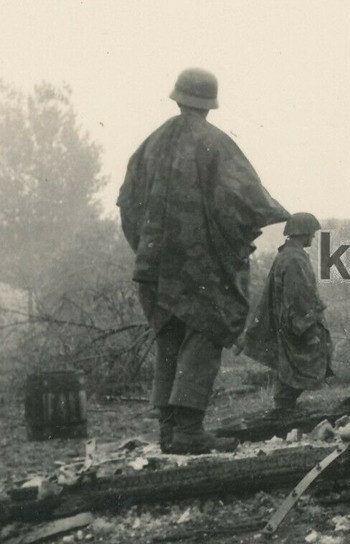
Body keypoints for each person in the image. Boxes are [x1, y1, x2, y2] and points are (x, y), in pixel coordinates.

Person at [117, 68, 289, 453]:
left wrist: (145, 250)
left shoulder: (150, 144)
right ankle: (189, 429)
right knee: (208, 330)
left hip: (153, 267)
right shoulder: (216, 144)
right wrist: (280, 215)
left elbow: (127, 203)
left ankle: (169, 430)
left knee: (170, 339)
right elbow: (246, 198)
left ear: (177, 98)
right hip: (199, 267)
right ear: (210, 105)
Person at [240, 212, 334, 416]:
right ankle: (283, 406)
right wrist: (308, 330)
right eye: (311, 233)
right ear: (303, 233)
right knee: (303, 362)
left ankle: (284, 405)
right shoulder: (293, 259)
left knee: (292, 365)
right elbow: (298, 297)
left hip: (291, 323)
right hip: (297, 324)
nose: (313, 237)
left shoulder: (289, 255)